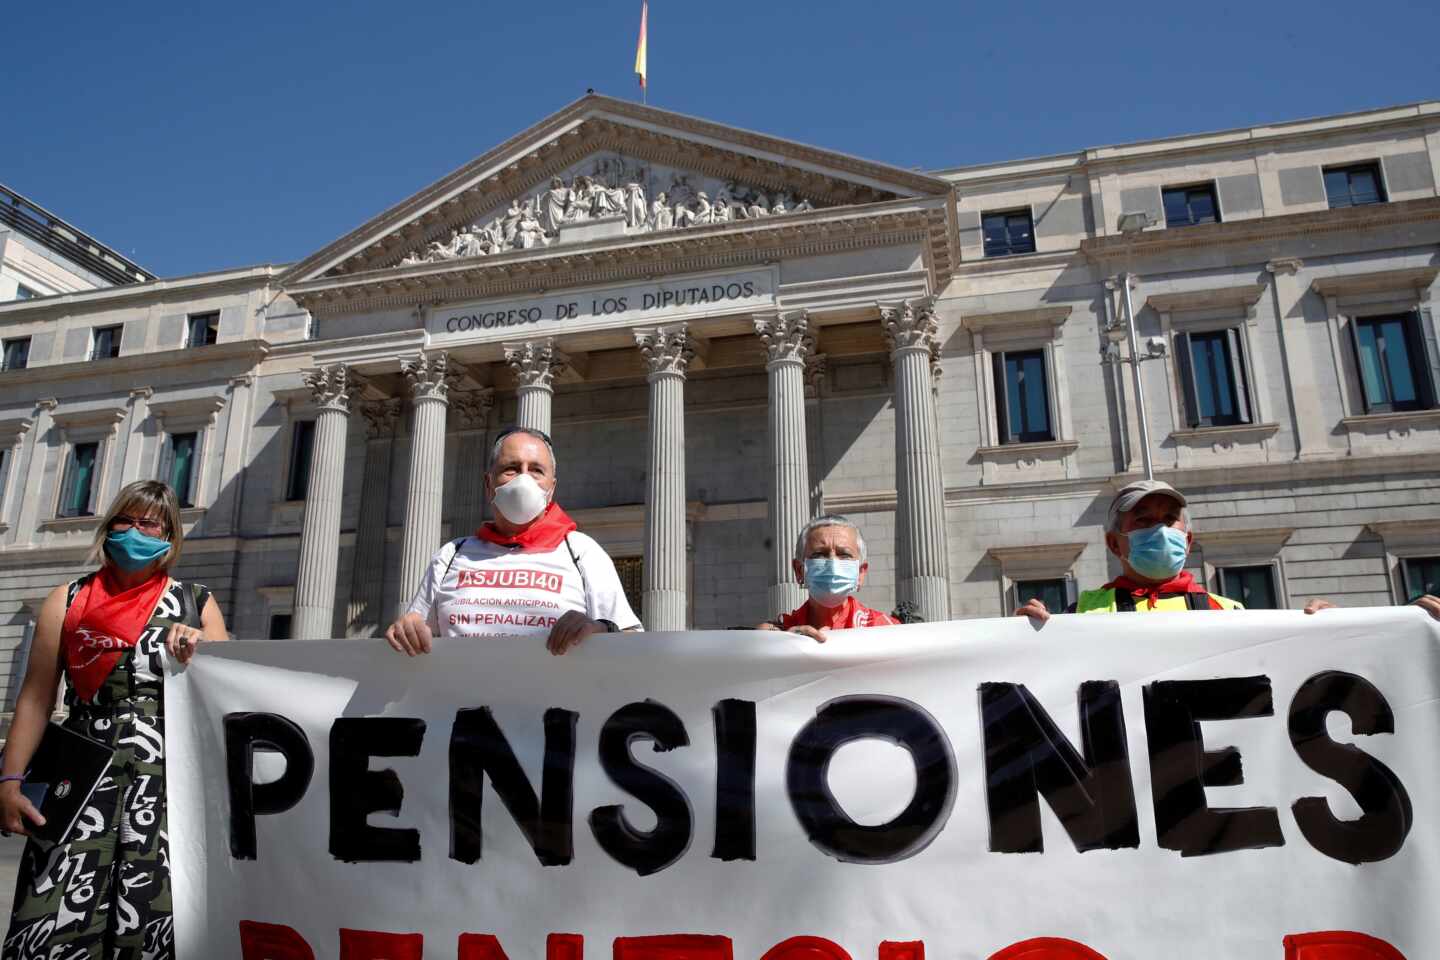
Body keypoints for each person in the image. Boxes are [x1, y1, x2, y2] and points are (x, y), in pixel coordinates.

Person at [1, 480, 228, 959]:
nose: (136, 530)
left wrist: (202, 654)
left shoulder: (195, 603)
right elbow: (38, 697)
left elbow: (228, 693)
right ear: (109, 525)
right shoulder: (66, 599)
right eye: (126, 519)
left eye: (150, 523)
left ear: (169, 537)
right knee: (53, 915)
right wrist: (9, 780)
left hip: (165, 785)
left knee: (152, 921)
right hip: (80, 778)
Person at [386, 427, 641, 657]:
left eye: (536, 470)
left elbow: (636, 644)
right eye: (511, 468)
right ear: (488, 484)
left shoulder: (582, 552)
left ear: (551, 488)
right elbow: (416, 635)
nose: (523, 479)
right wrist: (406, 629)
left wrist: (600, 629)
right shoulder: (452, 554)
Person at [1016, 480, 1239, 621]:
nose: (1160, 530)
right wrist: (1025, 633)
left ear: (1187, 541)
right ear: (1114, 543)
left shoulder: (1231, 613)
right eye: (1143, 520)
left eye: (1170, 519)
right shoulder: (1081, 613)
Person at [757, 514, 898, 642]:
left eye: (844, 554)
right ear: (799, 571)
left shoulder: (887, 630)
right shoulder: (774, 635)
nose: (832, 563)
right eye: (819, 554)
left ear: (860, 573)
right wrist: (784, 648)